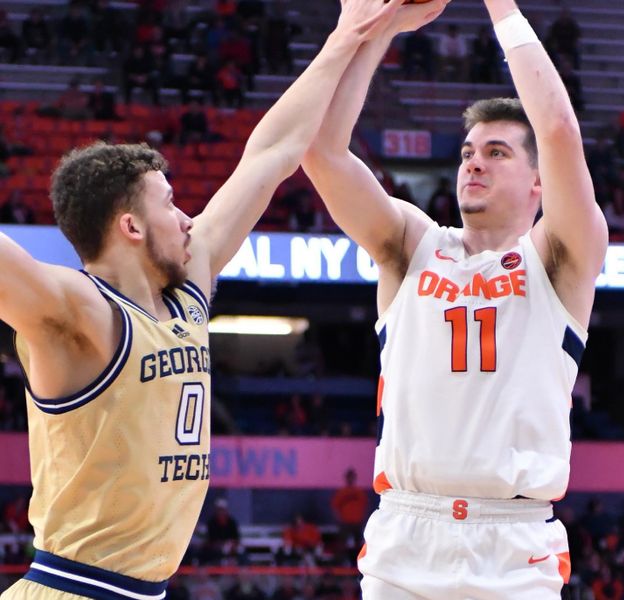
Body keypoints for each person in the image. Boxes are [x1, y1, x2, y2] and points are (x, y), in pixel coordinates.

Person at [0, 2, 411, 598]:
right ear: (131, 228)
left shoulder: (189, 287)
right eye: (169, 203)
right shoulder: (79, 314)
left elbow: (271, 154)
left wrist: (352, 31)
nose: (188, 218)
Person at [301, 0, 607, 596]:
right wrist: (374, 28)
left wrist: (501, 6)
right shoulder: (410, 242)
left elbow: (560, 131)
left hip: (513, 542)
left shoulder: (560, 257)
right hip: (407, 531)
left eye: (497, 153)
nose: (474, 164)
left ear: (538, 180)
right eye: (469, 152)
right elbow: (322, 153)